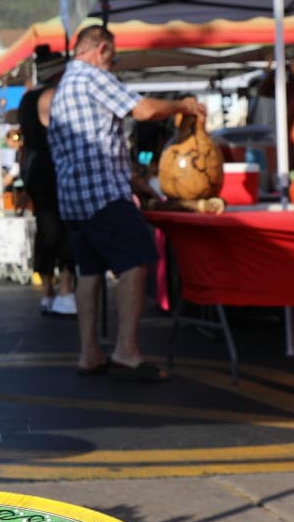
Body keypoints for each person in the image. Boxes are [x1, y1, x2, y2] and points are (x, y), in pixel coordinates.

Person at [48, 25, 205, 380]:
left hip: (75, 198)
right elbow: (144, 110)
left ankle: (89, 353)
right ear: (101, 49)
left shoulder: (64, 88)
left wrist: (135, 182)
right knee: (138, 260)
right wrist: (183, 104)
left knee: (89, 273)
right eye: (113, 58)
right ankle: (127, 350)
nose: (113, 65)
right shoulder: (91, 77)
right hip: (103, 194)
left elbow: (89, 150)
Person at [18, 76, 76, 317]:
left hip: (33, 168)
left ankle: (48, 293)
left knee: (45, 230)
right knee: (62, 230)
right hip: (52, 167)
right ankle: (64, 291)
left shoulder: (25, 100)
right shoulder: (51, 98)